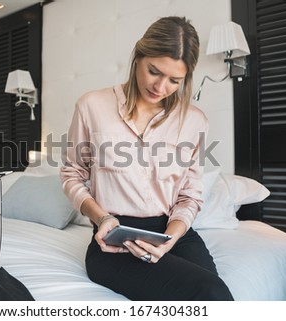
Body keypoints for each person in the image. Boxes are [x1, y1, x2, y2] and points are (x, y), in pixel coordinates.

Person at [60, 16, 234, 301]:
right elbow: (72, 174)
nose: (160, 87)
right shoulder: (91, 105)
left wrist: (171, 239)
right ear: (138, 57)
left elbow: (190, 194)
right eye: (154, 71)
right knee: (209, 292)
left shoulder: (195, 121)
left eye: (174, 80)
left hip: (172, 233)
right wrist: (102, 218)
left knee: (213, 292)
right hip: (114, 237)